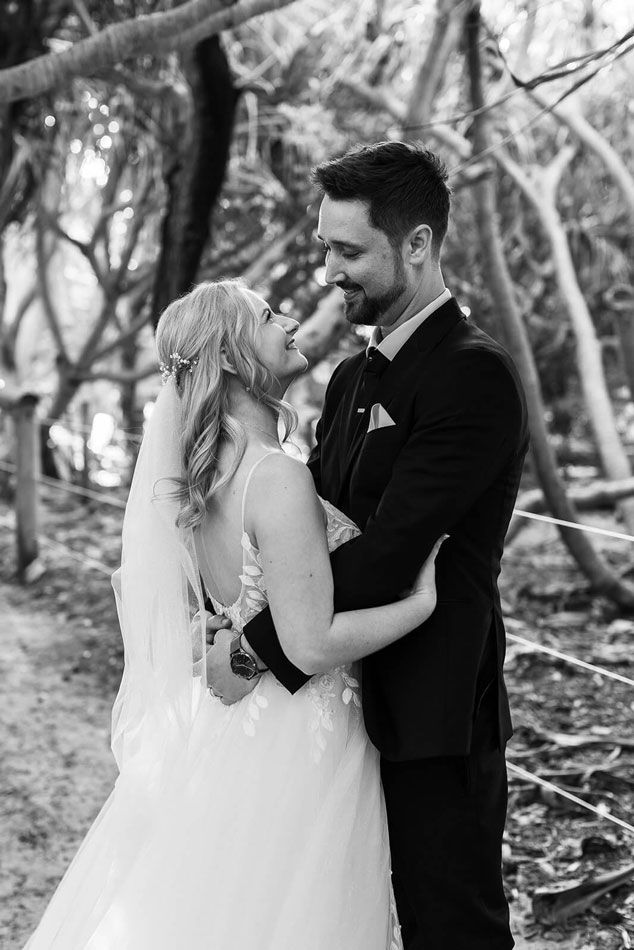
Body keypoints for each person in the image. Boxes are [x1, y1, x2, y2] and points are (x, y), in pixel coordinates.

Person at [23, 278, 444, 950]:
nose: (289, 318)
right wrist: (420, 605)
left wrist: (225, 635)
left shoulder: (204, 476)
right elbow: (310, 642)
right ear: (226, 357)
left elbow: (220, 603)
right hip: (306, 732)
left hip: (240, 726)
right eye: (267, 314)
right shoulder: (275, 476)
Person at [205, 141, 529, 950]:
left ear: (416, 244)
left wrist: (254, 650)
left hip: (432, 709)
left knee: (448, 924)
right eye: (326, 248)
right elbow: (307, 542)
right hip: (335, 705)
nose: (329, 271)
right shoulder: (351, 379)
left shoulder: (473, 375)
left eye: (349, 251)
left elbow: (391, 549)